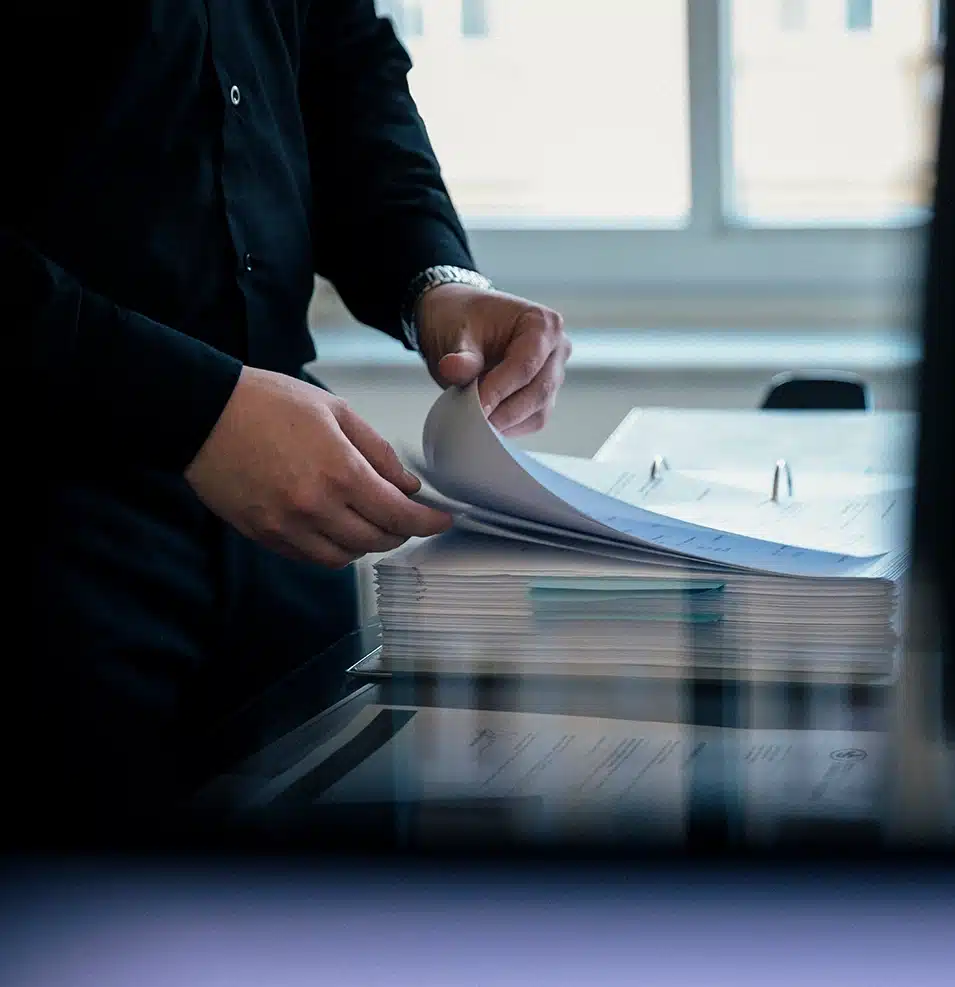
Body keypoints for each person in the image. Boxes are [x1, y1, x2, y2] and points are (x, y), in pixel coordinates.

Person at [8, 2, 570, 834]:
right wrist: (194, 404)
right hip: (40, 550)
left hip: (290, 534)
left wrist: (436, 278)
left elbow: (344, 77)